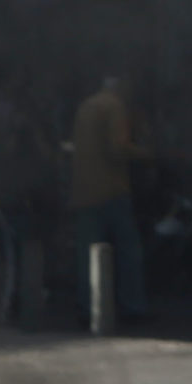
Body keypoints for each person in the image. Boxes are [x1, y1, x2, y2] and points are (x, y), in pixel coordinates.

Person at [68, 75, 151, 322]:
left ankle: (87, 306)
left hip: (83, 190)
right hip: (111, 191)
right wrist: (147, 154)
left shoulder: (86, 106)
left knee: (87, 253)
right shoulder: (115, 106)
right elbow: (117, 148)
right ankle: (132, 307)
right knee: (128, 251)